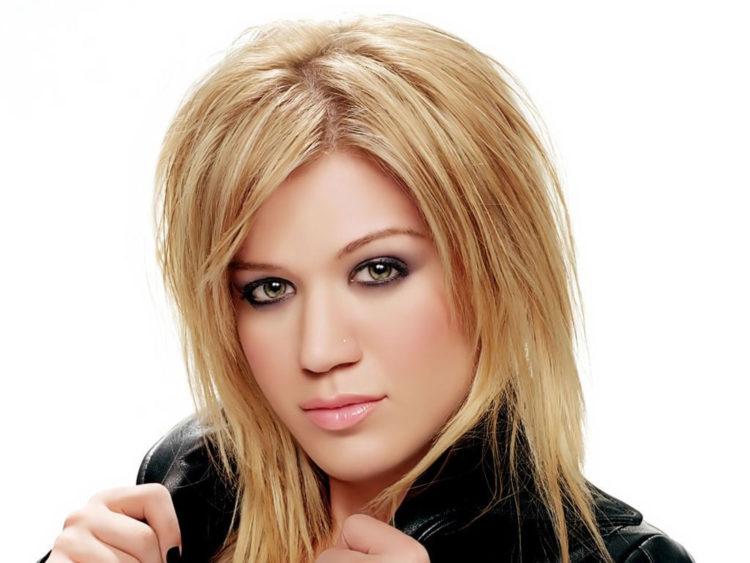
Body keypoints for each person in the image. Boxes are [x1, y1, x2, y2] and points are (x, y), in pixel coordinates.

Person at [38, 14, 695, 563]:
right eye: (268, 288)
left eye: (379, 270)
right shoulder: (190, 485)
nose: (320, 350)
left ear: (497, 269)